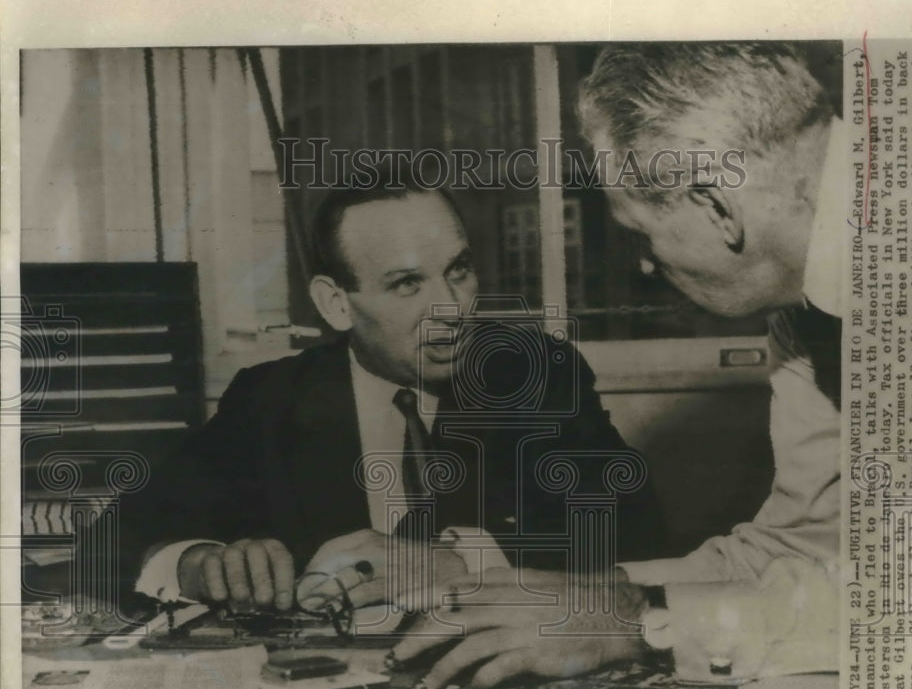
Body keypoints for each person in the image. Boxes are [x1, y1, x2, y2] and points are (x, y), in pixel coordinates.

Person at [391, 42, 843, 687]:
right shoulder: (804, 303)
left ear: (717, 207)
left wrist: (643, 622)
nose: (643, 265)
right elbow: (797, 549)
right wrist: (589, 591)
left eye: (640, 233)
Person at [87, 162, 667, 617]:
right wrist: (194, 564)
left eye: (458, 270)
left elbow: (639, 535)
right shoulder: (270, 400)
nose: (452, 309)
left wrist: (460, 563)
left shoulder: (536, 375)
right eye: (408, 283)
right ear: (335, 303)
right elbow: (107, 541)